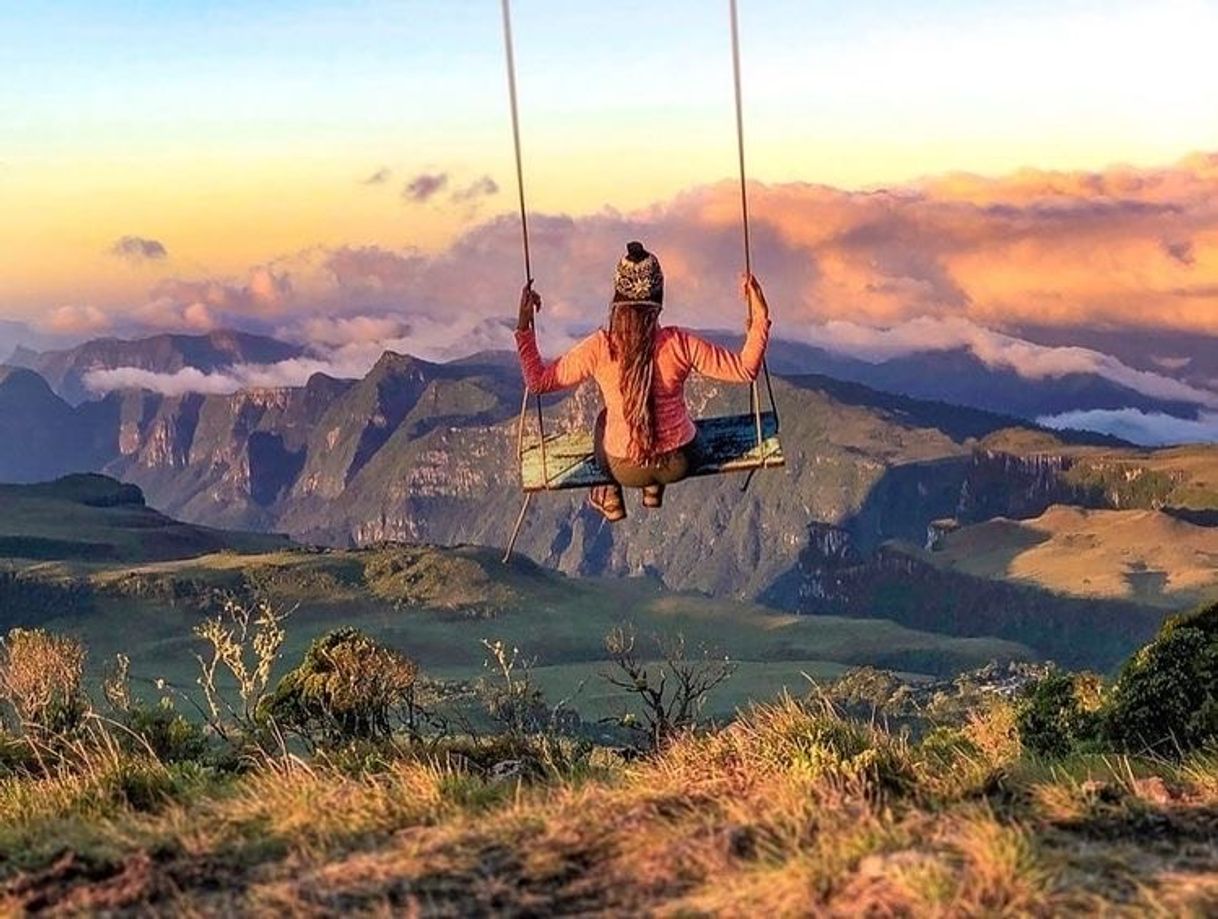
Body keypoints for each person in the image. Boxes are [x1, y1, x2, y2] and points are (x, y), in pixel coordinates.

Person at [515, 241, 771, 521]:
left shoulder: (601, 348)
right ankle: (652, 489)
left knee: (604, 420)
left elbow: (537, 382)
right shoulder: (679, 344)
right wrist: (760, 316)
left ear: (617, 299)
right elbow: (745, 370)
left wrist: (524, 326)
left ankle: (609, 494)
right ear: (659, 300)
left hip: (622, 466)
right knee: (671, 421)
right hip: (680, 461)